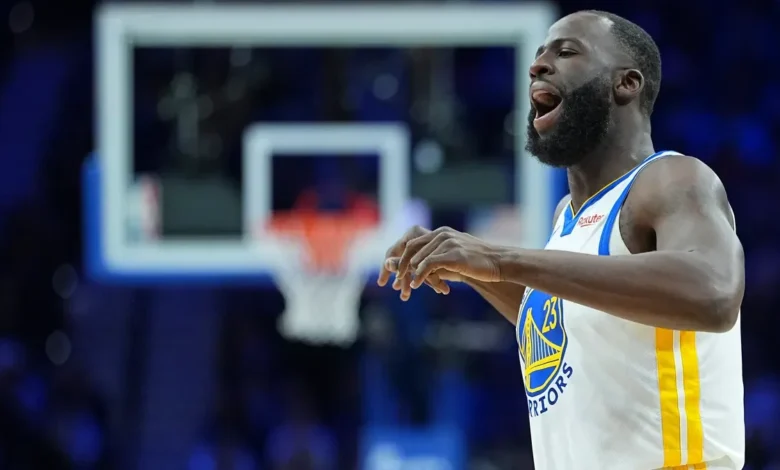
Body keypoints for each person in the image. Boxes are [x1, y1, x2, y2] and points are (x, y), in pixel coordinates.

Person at [377, 10, 745, 470]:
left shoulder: (671, 179)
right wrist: (472, 270)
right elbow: (568, 323)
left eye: (566, 52)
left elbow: (714, 293)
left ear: (626, 84)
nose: (537, 66)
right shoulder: (567, 220)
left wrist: (499, 258)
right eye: (538, 56)